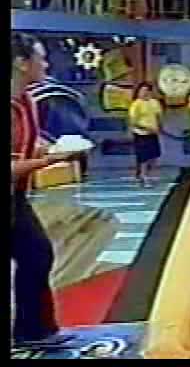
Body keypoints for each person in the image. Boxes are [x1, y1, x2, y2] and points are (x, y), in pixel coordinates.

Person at [11, 33, 75, 347]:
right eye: (41, 58)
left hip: (15, 196)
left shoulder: (27, 101)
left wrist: (47, 148)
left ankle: (34, 331)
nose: (46, 64)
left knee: (36, 254)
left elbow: (26, 144)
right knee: (35, 253)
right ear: (21, 63)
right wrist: (50, 160)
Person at [128, 82, 163, 187]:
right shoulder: (136, 104)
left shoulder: (154, 103)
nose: (144, 93)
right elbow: (133, 122)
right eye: (142, 91)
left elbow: (159, 116)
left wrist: (159, 128)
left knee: (154, 155)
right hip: (141, 133)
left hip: (153, 133)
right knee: (144, 156)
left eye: (146, 90)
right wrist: (146, 128)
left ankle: (148, 174)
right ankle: (144, 176)